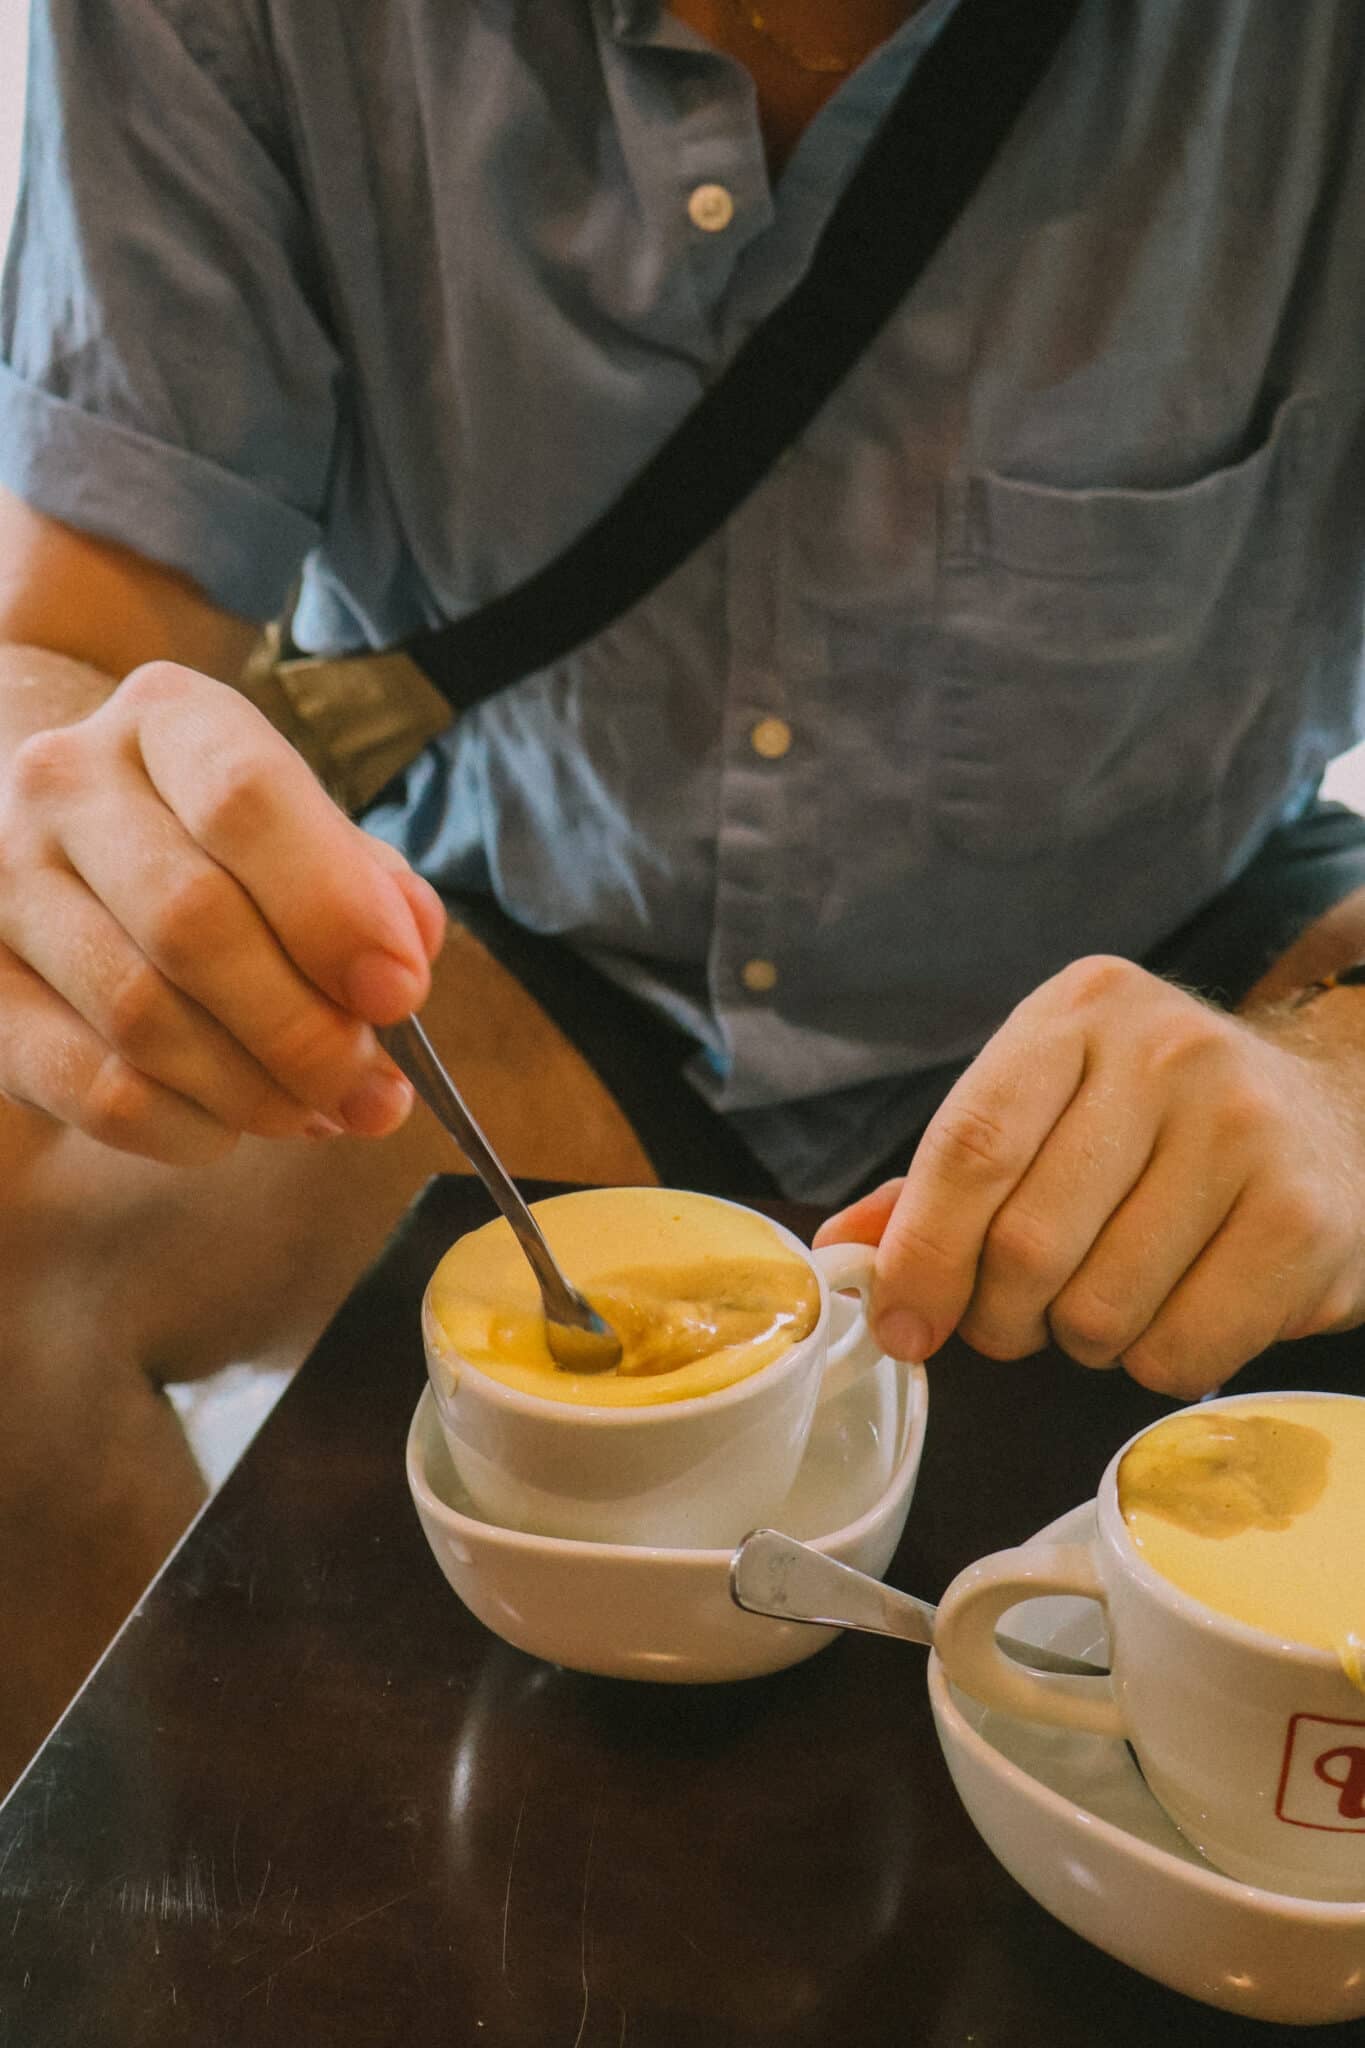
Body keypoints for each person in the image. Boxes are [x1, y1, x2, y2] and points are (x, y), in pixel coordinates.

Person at [2, 0, 1365, 1781]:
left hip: (1195, 959)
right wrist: (79, 834)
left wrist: (1333, 1082)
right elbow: (68, 644)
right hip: (507, 954)